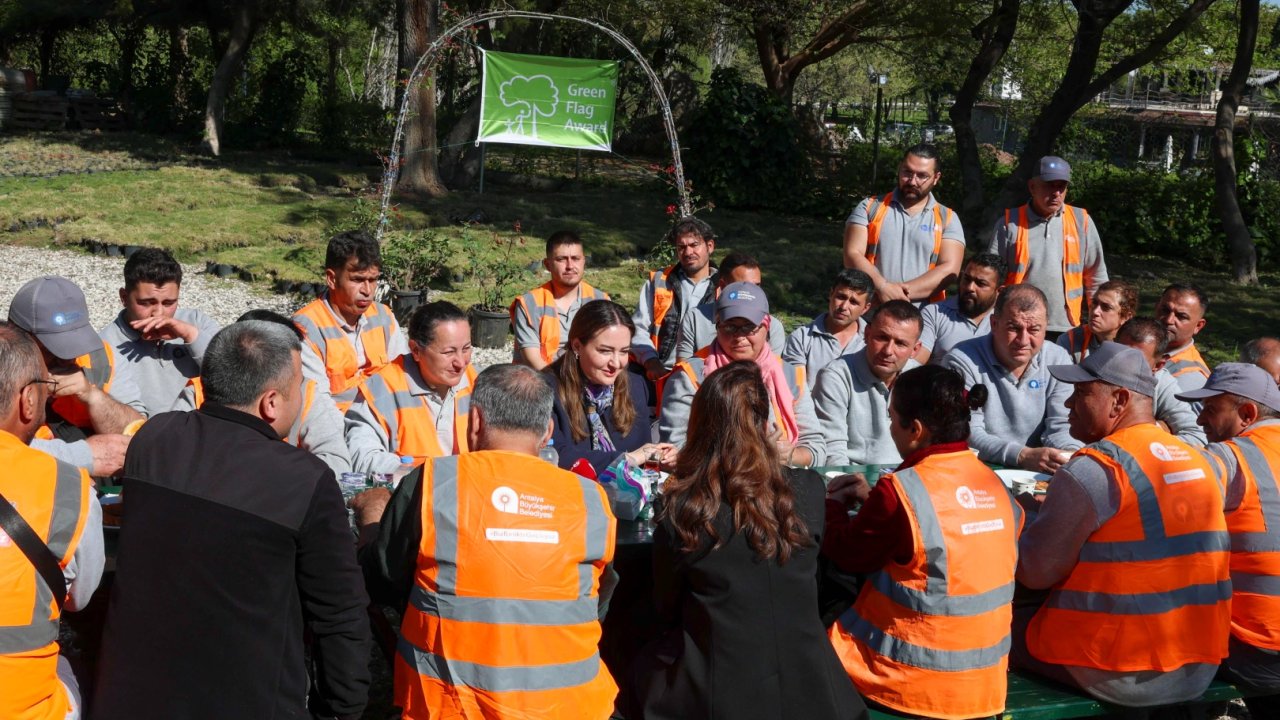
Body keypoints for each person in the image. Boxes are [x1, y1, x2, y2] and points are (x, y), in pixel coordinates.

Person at [92, 320, 371, 719]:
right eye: (299, 390)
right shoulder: (303, 481)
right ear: (271, 402)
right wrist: (341, 710)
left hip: (129, 694)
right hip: (248, 700)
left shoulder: (154, 439)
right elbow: (340, 616)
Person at [354, 364, 618, 720]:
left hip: (452, 708)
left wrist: (371, 518)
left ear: (474, 421)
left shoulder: (433, 483)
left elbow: (382, 578)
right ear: (547, 432)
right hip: (576, 707)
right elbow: (595, 602)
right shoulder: (591, 498)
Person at [639, 362, 867, 720]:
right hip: (813, 689)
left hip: (718, 690)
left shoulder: (683, 508)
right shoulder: (807, 490)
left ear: (700, 426)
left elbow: (666, 606)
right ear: (766, 424)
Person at [1013, 341, 1230, 707]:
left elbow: (1034, 573)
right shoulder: (1195, 460)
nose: (1068, 405)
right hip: (1198, 663)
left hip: (1121, 671)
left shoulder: (1095, 469)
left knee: (984, 629)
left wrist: (1017, 517)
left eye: (1081, 393)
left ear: (1119, 401)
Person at [825, 365, 1021, 720]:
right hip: (985, 681)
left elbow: (847, 554)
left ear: (915, 430)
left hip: (909, 680)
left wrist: (833, 508)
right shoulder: (996, 487)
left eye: (893, 419)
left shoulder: (900, 492)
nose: (890, 427)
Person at [0, 322, 103, 720]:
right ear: (28, 400)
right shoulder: (68, 488)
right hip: (23, 711)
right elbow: (78, 597)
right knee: (71, 666)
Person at [1179, 364, 1280, 716]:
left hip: (1259, 650)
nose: (1201, 421)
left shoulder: (1229, 456)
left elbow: (1165, 498)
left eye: (1210, 409)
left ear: (1247, 414)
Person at [658, 282, 824, 468]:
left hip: (782, 484)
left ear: (766, 326)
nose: (739, 336)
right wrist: (756, 456)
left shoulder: (790, 376)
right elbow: (675, 449)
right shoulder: (691, 376)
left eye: (749, 327)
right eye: (729, 326)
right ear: (717, 325)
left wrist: (791, 455)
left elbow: (816, 448)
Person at [171, 309, 353, 476]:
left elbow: (338, 465)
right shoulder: (198, 391)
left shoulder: (305, 391)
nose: (297, 372)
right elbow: (173, 450)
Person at [9, 275, 142, 477]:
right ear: (19, 337)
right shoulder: (5, 366)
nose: (67, 359)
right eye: (52, 350)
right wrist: (80, 457)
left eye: (74, 344)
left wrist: (92, 395)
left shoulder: (102, 360)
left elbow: (137, 438)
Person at [941, 284, 1079, 471]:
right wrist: (1021, 456)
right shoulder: (961, 361)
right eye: (1014, 328)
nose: (1023, 340)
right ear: (994, 324)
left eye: (1034, 330)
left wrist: (1069, 454)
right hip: (978, 469)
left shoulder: (1058, 359)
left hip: (1037, 471)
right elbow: (967, 432)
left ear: (1046, 327)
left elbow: (1062, 424)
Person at [346, 301, 477, 474]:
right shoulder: (382, 389)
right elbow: (362, 456)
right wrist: (423, 475)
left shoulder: (476, 381)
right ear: (415, 350)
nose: (461, 363)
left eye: (466, 349)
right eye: (448, 352)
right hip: (411, 493)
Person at [544, 299, 672, 472]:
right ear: (577, 346)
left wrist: (660, 457)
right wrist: (628, 459)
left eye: (624, 352)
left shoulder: (634, 385)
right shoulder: (544, 389)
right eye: (605, 351)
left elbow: (644, 454)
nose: (616, 363)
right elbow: (552, 455)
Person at [988, 156, 1108, 338]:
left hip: (1066, 327)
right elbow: (991, 279)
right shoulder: (1009, 223)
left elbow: (1096, 276)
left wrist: (1100, 324)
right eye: (1049, 185)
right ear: (1032, 187)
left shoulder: (1081, 221)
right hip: (1020, 327)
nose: (1056, 193)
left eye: (1061, 186)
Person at [293, 230, 409, 412]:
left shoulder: (383, 316)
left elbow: (404, 378)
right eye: (358, 280)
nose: (367, 290)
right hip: (338, 428)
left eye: (373, 280)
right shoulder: (305, 329)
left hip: (386, 421)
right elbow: (317, 405)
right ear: (331, 279)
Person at [99, 247, 221, 416]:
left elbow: (233, 377)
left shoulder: (196, 322)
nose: (159, 314)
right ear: (124, 298)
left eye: (168, 303)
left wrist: (190, 336)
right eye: (146, 303)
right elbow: (131, 419)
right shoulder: (106, 346)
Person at [843, 143, 964, 305]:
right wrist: (882, 287)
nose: (912, 181)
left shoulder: (948, 218)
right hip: (871, 314)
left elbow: (950, 268)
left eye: (922, 176)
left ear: (936, 178)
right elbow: (852, 254)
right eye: (907, 172)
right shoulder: (869, 207)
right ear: (899, 169)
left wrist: (898, 294)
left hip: (922, 319)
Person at [813, 300, 922, 467]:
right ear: (867, 334)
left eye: (900, 343)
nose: (888, 351)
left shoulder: (921, 379)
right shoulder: (836, 376)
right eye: (882, 338)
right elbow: (832, 450)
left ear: (915, 349)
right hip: (853, 476)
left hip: (906, 477)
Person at [631, 217, 718, 379]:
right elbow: (638, 328)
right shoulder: (659, 281)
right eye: (681, 247)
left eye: (694, 245)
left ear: (710, 246)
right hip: (659, 371)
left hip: (708, 373)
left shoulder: (724, 286)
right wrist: (651, 362)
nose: (688, 252)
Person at [511, 230, 610, 370]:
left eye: (575, 258)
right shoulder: (529, 303)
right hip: (541, 383)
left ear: (584, 262)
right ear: (547, 265)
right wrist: (562, 385)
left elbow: (609, 351)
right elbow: (531, 358)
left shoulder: (601, 301)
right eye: (561, 259)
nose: (570, 266)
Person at [674, 251, 785, 361]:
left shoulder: (772, 326)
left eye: (757, 286)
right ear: (722, 285)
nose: (752, 292)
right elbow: (684, 369)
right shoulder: (694, 319)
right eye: (743, 286)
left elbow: (772, 371)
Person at [1115, 317, 1206, 446]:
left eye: (1138, 360)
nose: (1126, 364)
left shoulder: (1162, 382)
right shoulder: (1093, 371)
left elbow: (1197, 437)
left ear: (1157, 366)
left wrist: (1152, 432)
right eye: (1120, 353)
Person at [783, 268, 873, 387]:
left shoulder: (874, 341)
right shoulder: (801, 338)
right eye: (841, 297)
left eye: (853, 302)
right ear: (831, 294)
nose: (844, 306)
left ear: (865, 308)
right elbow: (796, 389)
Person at [915, 253, 1005, 364]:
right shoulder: (935, 313)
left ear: (999, 291)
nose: (970, 288)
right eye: (966, 279)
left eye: (980, 283)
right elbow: (915, 363)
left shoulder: (1006, 322)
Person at [1056, 279, 1136, 362]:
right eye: (1094, 303)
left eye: (1106, 307)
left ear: (1126, 317)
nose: (1095, 312)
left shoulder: (1138, 345)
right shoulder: (1071, 339)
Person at [1156, 282, 1211, 393]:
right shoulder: (1136, 342)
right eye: (1165, 310)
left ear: (1198, 326)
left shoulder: (1190, 377)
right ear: (1156, 307)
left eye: (1181, 316)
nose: (1168, 320)